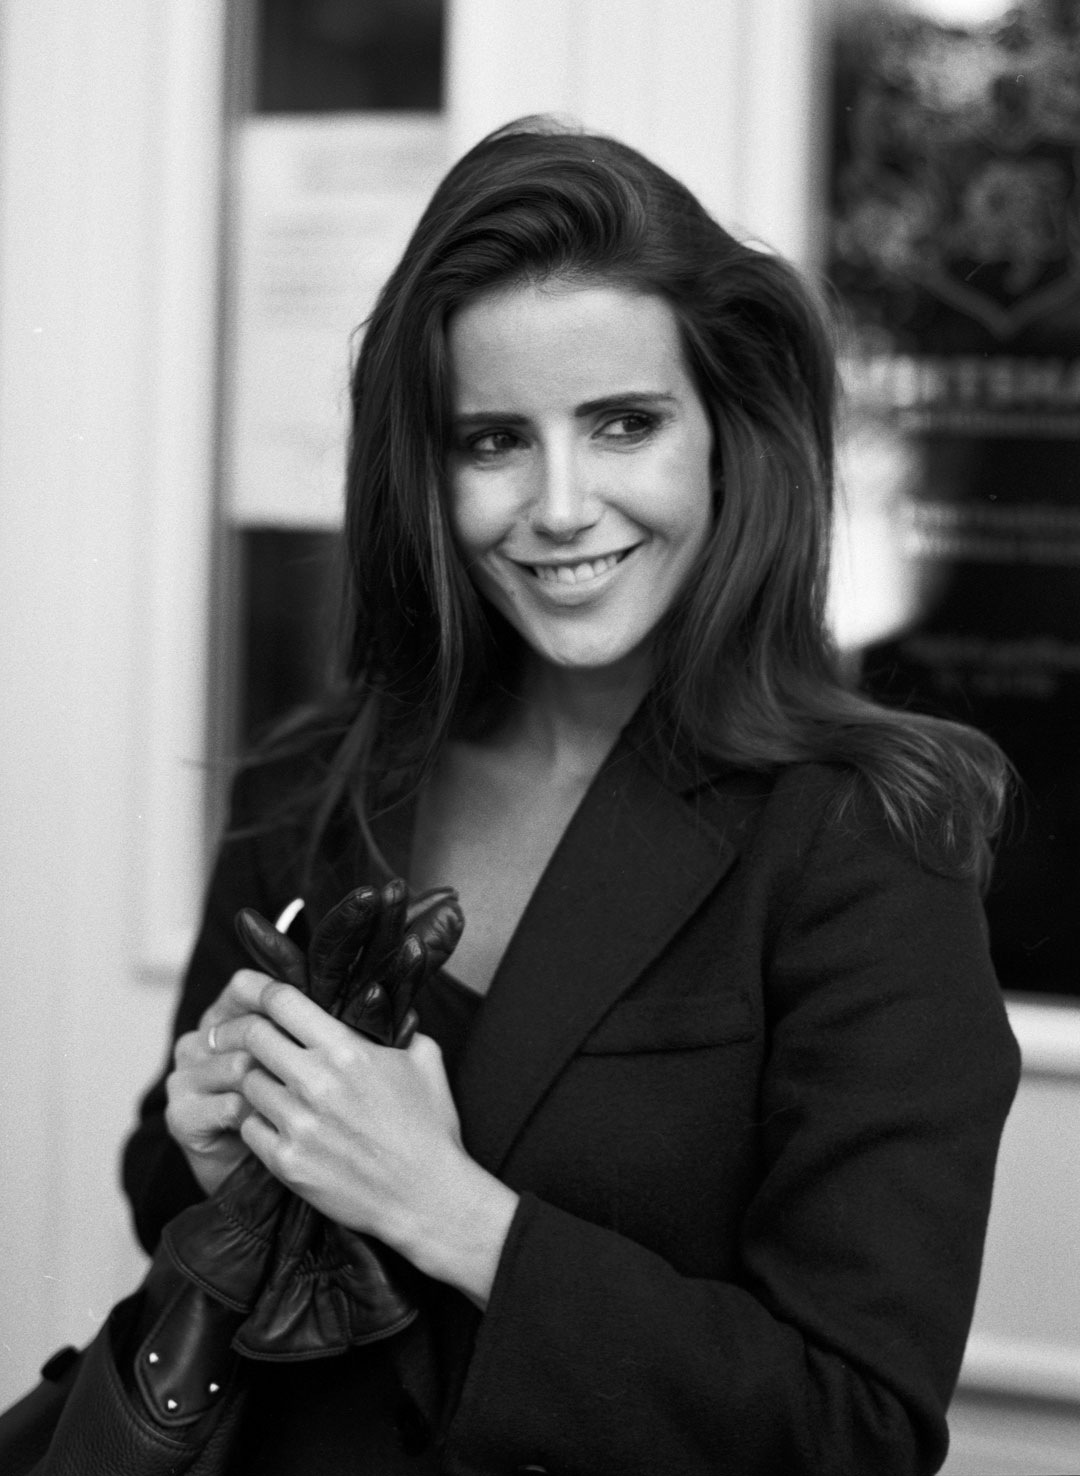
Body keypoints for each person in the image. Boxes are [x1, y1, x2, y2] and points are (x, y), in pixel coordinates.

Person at [123, 118, 1021, 1476]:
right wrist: (214, 1150)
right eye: (494, 439)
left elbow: (854, 1427)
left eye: (623, 425)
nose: (558, 506)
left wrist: (452, 1215)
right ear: (426, 471)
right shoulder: (314, 779)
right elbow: (161, 1198)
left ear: (726, 436)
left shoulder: (866, 835)